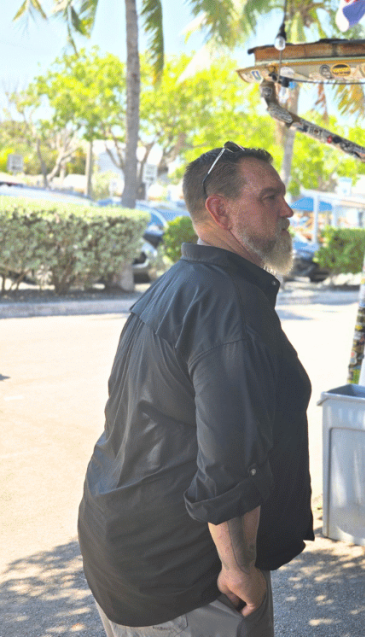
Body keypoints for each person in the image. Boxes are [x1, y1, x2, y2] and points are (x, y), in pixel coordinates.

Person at [78, 142, 313, 636]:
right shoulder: (227, 305)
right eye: (269, 198)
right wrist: (238, 567)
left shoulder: (179, 283)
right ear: (219, 210)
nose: (287, 210)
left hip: (123, 547)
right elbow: (231, 463)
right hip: (187, 578)